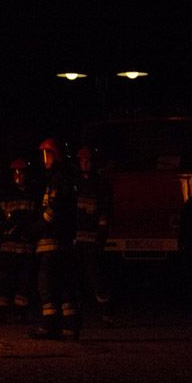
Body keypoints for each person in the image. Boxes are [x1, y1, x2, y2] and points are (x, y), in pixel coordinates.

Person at [31, 138, 80, 339]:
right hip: (63, 242)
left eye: (48, 154)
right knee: (64, 285)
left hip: (52, 242)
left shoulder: (58, 180)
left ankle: (49, 325)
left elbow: (52, 213)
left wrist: (33, 228)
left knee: (47, 285)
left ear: (56, 155)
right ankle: (68, 327)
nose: (45, 159)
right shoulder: (64, 178)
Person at [0, 158, 40, 323]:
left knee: (24, 282)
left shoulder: (33, 194)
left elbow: (37, 219)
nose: (19, 175)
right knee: (3, 281)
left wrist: (30, 233)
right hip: (8, 246)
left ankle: (20, 312)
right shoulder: (6, 194)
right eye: (16, 172)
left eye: (22, 172)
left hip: (25, 246)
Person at [74, 146, 113, 324]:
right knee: (76, 277)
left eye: (88, 160)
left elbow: (104, 210)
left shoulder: (100, 183)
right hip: (75, 237)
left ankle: (106, 312)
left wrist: (102, 233)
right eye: (82, 160)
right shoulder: (74, 182)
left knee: (96, 275)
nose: (86, 163)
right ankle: (76, 313)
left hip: (92, 237)